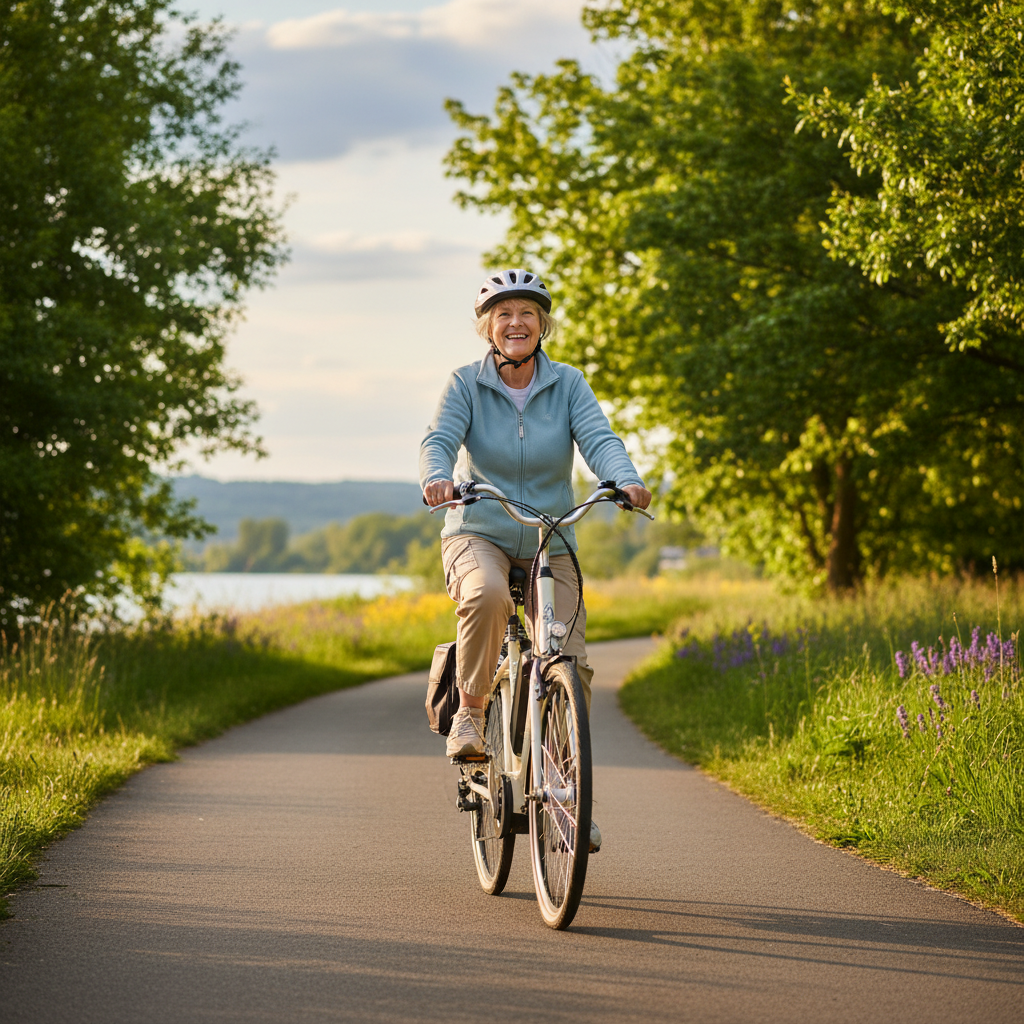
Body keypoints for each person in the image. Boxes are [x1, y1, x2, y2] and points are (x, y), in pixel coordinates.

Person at [420, 269, 651, 851]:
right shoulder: (464, 384)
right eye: (504, 314)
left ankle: (569, 796)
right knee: (486, 595)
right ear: (487, 328)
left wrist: (623, 479)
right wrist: (437, 477)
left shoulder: (569, 384)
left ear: (543, 324)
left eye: (527, 313)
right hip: (481, 529)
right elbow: (440, 439)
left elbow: (600, 439)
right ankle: (471, 715)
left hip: (550, 536)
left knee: (569, 662)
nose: (516, 323)